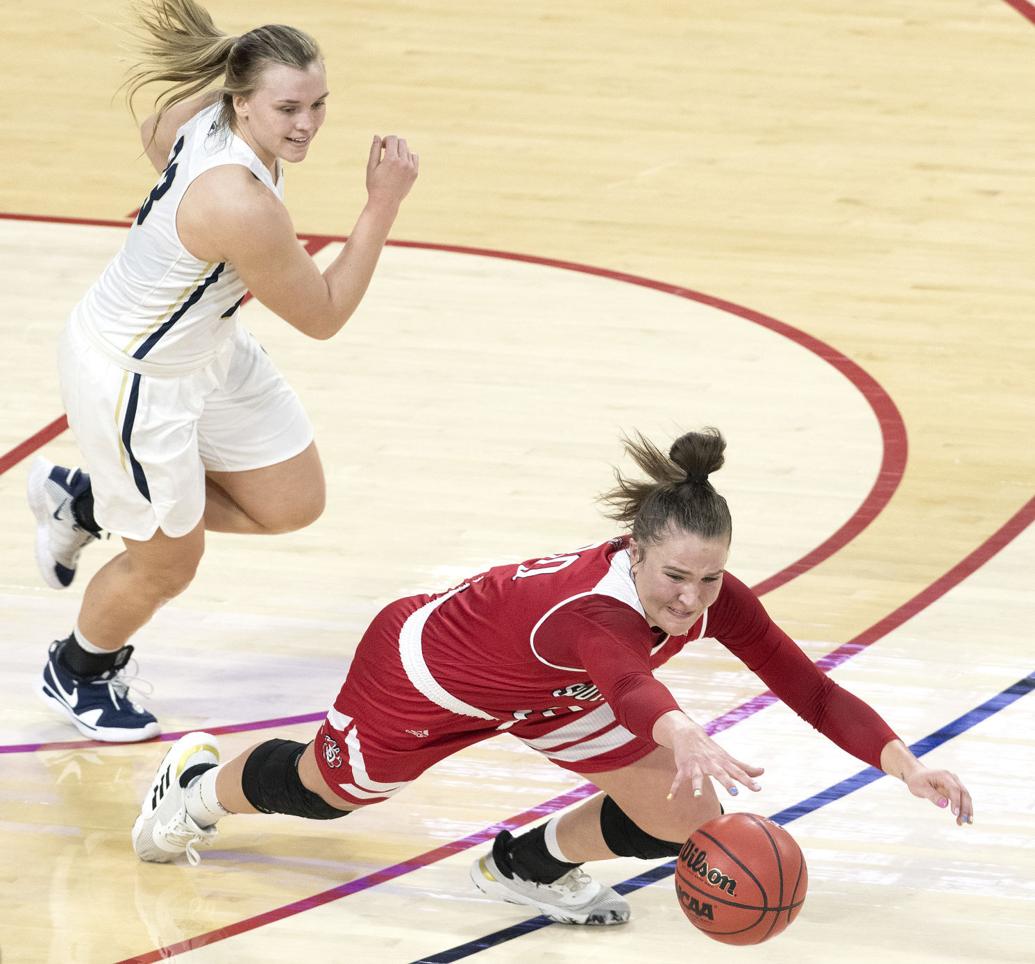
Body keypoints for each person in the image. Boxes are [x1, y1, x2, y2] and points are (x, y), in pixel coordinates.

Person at [131, 428, 973, 925]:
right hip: (427, 672)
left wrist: (904, 763)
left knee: (685, 815)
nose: (691, 599)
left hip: (549, 692)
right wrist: (678, 727)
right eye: (674, 577)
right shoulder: (590, 611)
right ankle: (196, 790)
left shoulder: (711, 595)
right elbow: (627, 682)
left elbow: (812, 687)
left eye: (709, 579)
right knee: (332, 793)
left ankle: (522, 867)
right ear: (634, 552)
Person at [27, 0, 418, 742]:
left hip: (207, 345)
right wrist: (381, 204)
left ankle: (90, 503)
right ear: (242, 101)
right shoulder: (238, 203)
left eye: (317, 105)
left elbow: (156, 134)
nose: (305, 124)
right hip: (134, 376)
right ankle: (78, 668)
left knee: (291, 502)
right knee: (169, 565)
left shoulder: (201, 113)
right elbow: (324, 314)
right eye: (288, 109)